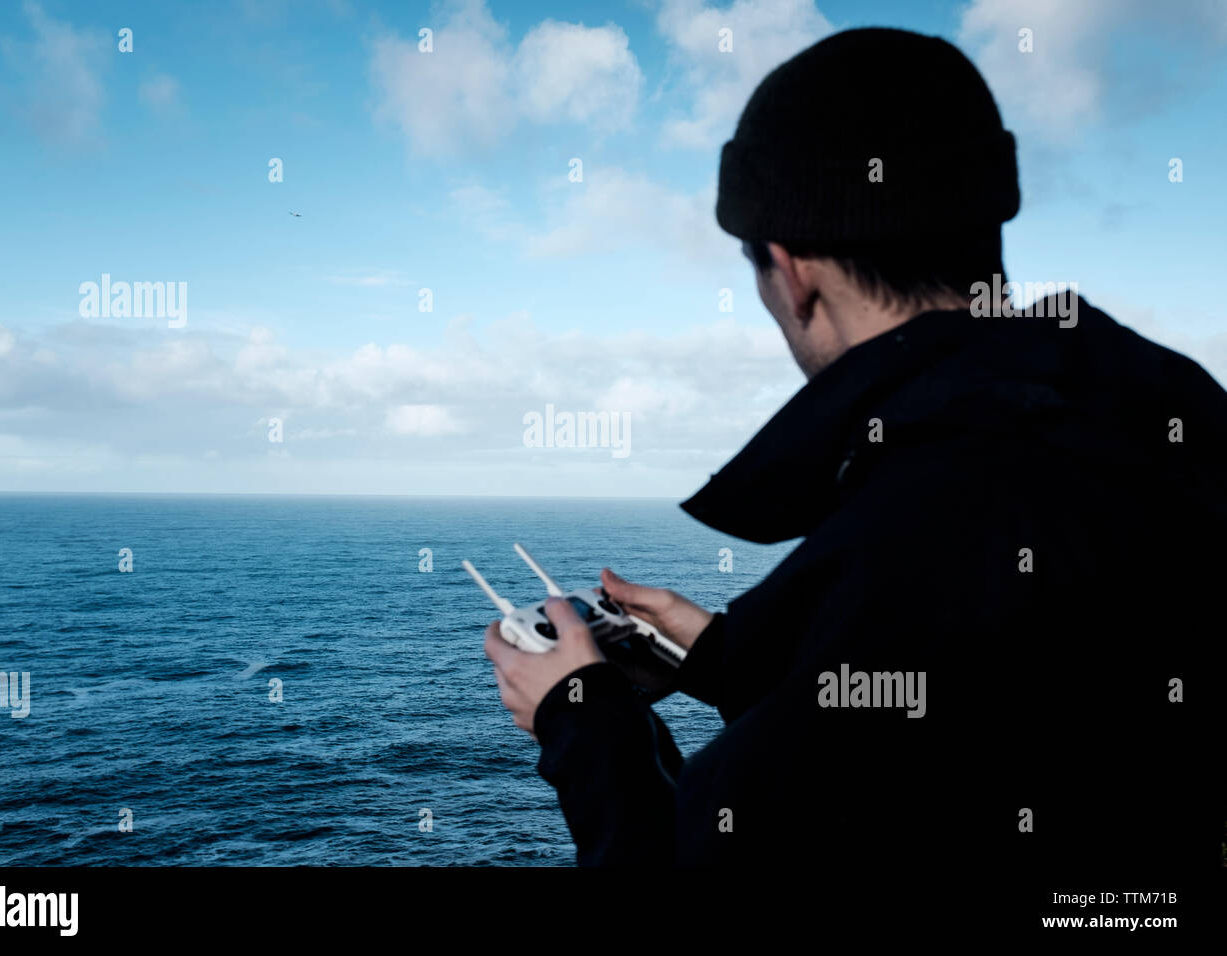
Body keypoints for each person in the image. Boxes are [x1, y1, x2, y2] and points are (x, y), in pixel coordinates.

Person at [483, 27, 1225, 890]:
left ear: (790, 272)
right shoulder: (1160, 418)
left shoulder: (935, 514)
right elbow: (979, 704)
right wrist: (727, 658)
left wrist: (580, 720)